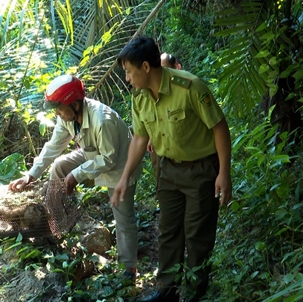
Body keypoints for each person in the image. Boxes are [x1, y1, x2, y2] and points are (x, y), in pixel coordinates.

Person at [111, 37, 232, 302]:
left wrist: (224, 173)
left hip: (201, 171)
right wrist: (124, 177)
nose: (128, 79)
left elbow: (219, 127)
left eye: (129, 72)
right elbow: (140, 138)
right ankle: (166, 291)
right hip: (167, 170)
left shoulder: (189, 87)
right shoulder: (139, 98)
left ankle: (194, 292)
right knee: (168, 231)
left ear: (145, 67)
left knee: (197, 235)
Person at [9, 74, 142, 279]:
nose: (58, 114)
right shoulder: (67, 118)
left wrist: (76, 175)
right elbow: (54, 146)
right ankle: (54, 223)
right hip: (93, 153)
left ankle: (129, 269)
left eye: (59, 108)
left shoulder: (101, 120)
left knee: (122, 217)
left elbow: (109, 158)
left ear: (75, 104)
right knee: (60, 166)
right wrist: (31, 175)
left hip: (120, 165)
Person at [148, 52, 183, 196]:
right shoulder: (152, 90)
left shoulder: (187, 88)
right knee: (159, 169)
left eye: (166, 69)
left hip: (179, 143)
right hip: (158, 139)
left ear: (177, 67)